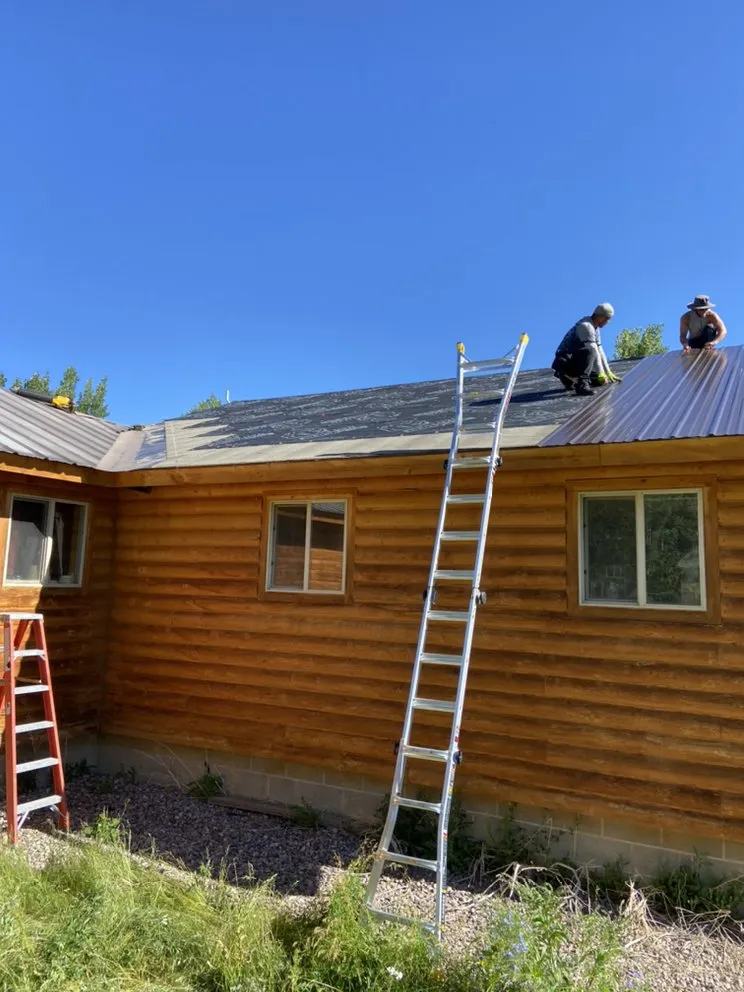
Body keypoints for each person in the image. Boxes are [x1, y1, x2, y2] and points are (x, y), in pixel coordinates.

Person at [552, 303, 618, 396]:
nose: (607, 322)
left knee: (599, 381)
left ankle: (571, 380)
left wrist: (607, 372)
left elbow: (600, 349)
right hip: (565, 362)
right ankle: (582, 385)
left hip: (576, 362)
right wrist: (601, 372)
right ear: (599, 316)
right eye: (606, 319)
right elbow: (593, 349)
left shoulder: (596, 328)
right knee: (590, 351)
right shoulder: (586, 326)